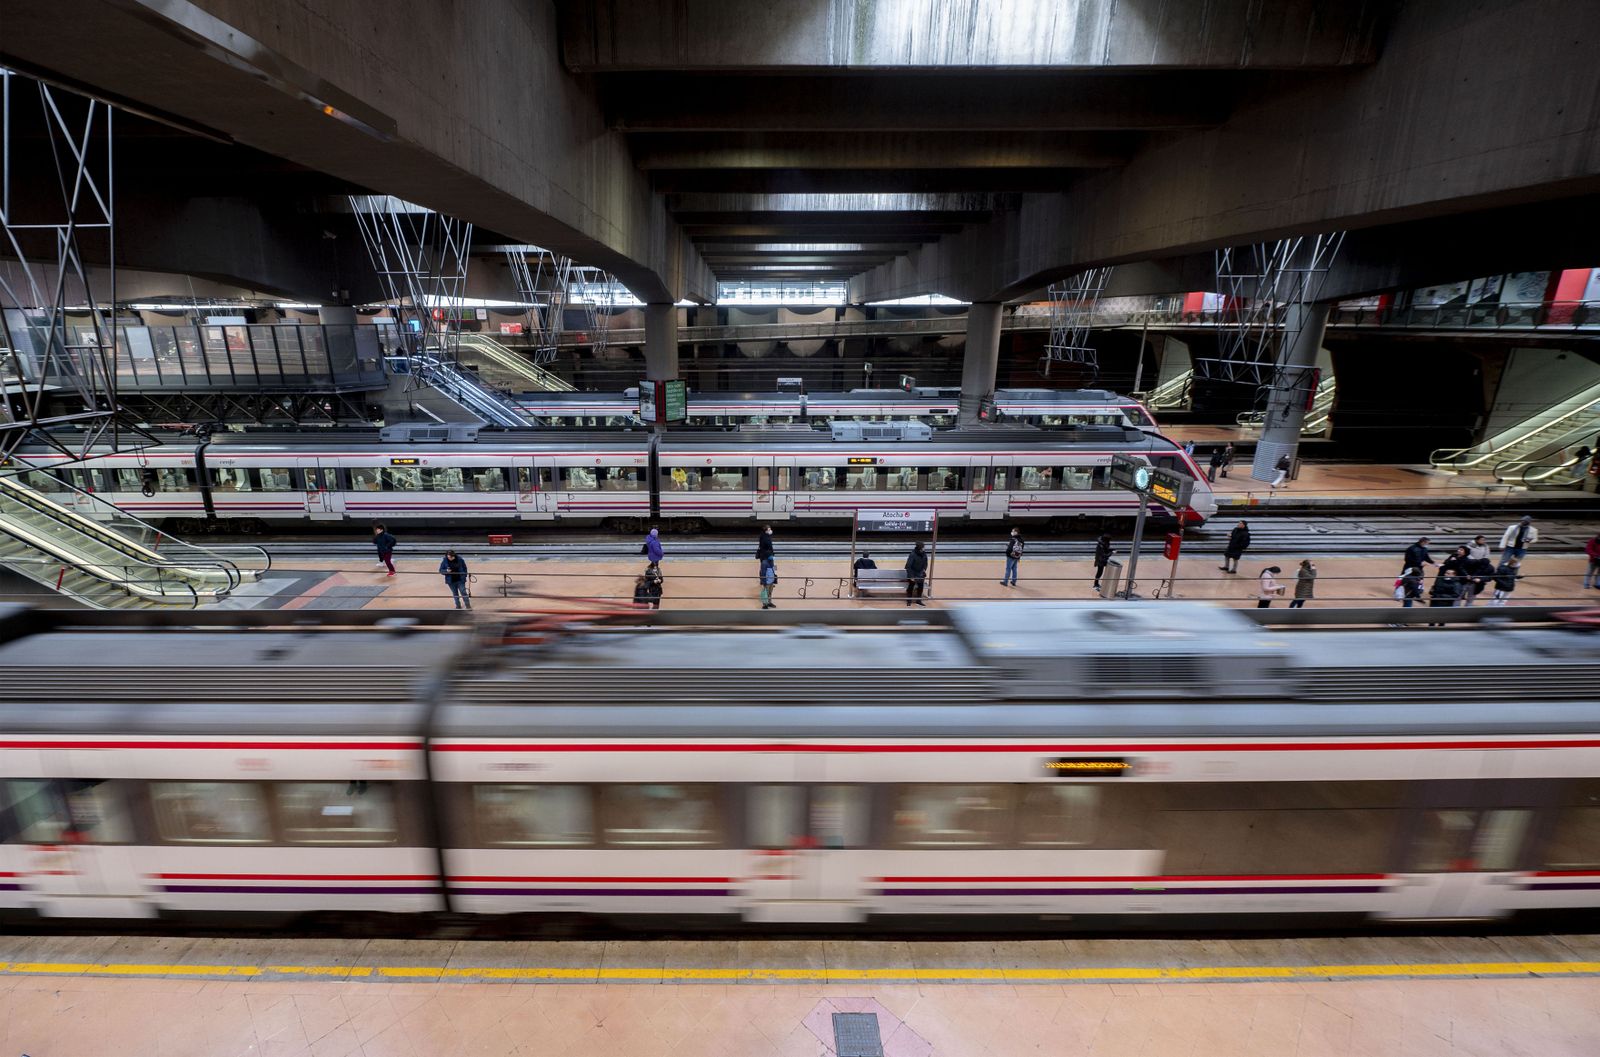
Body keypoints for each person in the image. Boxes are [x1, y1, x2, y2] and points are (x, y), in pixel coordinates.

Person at [905, 541, 928, 607]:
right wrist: (911, 576)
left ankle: (919, 601)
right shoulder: (913, 554)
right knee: (911, 587)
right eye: (923, 547)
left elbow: (925, 563)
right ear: (920, 548)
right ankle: (909, 601)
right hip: (913, 573)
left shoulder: (924, 554)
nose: (924, 548)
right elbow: (908, 566)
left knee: (920, 587)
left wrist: (924, 569)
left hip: (920, 574)